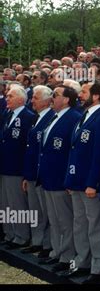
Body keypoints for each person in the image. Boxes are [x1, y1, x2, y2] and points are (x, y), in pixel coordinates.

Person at [63, 82, 100, 284]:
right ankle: (81, 262)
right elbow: (74, 149)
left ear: (96, 96)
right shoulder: (83, 116)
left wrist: (93, 183)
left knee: (95, 227)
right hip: (76, 181)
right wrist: (70, 178)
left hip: (90, 183)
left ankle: (98, 269)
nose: (80, 95)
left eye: (84, 92)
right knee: (79, 225)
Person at [37, 86, 82, 273]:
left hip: (60, 177)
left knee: (65, 220)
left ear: (66, 100)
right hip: (48, 175)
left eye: (56, 95)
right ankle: (57, 252)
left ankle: (67, 256)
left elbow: (72, 151)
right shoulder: (54, 117)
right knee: (54, 219)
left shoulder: (73, 118)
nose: (52, 98)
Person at [0, 86, 36, 249]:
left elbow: (27, 145)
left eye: (10, 96)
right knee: (5, 203)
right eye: (7, 96)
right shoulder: (7, 115)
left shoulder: (28, 117)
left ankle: (21, 235)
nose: (7, 98)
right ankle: (10, 233)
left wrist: (25, 171)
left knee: (17, 203)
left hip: (16, 167)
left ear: (21, 99)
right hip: (4, 165)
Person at [21, 86, 55, 258]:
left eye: (35, 97)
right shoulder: (36, 117)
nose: (32, 100)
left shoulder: (50, 117)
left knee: (46, 212)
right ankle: (37, 241)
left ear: (47, 100)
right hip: (32, 172)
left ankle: (47, 244)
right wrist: (27, 175)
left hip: (42, 173)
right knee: (35, 211)